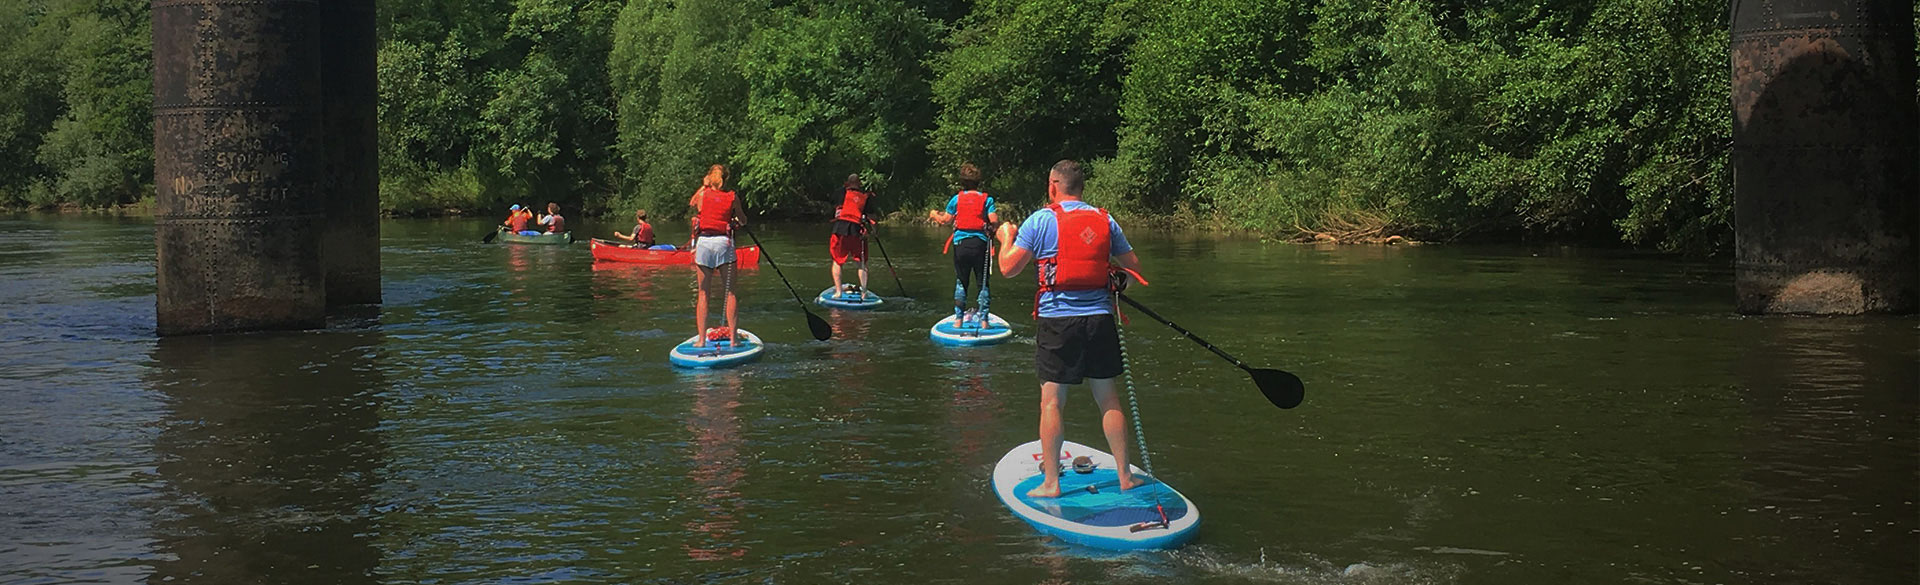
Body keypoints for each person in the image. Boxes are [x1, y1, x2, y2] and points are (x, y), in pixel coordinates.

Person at [994, 159, 1144, 498]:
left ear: (1052, 186)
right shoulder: (1105, 220)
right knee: (1108, 399)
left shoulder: (1040, 220)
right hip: (1101, 320)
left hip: (1057, 323)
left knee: (1052, 402)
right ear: (1081, 187)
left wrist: (1007, 237)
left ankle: (1052, 484)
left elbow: (1007, 269)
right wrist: (1117, 282)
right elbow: (1133, 273)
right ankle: (1124, 477)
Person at [927, 163, 999, 326]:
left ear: (962, 182)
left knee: (961, 281)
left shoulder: (956, 199)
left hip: (961, 245)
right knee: (982, 283)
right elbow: (994, 221)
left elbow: (945, 220)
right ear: (978, 182)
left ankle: (958, 320)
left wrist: (933, 214)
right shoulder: (987, 199)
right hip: (980, 245)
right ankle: (984, 321)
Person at [689, 164, 744, 347]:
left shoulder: (703, 194)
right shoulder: (732, 196)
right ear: (725, 179)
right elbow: (743, 220)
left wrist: (704, 186)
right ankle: (734, 341)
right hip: (724, 243)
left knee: (703, 293)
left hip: (704, 243)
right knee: (730, 292)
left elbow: (693, 203)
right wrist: (736, 219)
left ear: (709, 178)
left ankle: (702, 340)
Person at [828, 174, 871, 297]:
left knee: (837, 261)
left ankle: (838, 292)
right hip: (857, 231)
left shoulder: (840, 193)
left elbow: (832, 202)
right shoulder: (865, 197)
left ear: (847, 183)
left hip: (840, 229)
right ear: (859, 184)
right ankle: (864, 292)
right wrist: (873, 232)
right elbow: (872, 217)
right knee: (861, 263)